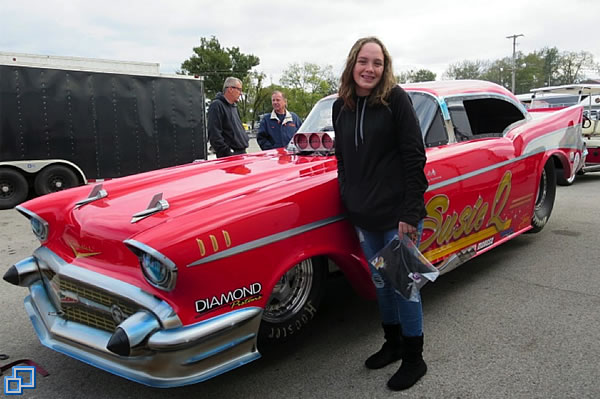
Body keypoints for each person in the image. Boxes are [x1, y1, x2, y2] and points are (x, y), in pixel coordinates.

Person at [332, 37, 429, 391]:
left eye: (377, 62)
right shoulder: (340, 106)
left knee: (405, 287)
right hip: (364, 216)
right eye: (363, 61)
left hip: (399, 214)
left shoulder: (396, 100)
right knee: (380, 283)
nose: (369, 69)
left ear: (385, 67)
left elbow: (415, 157)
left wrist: (410, 211)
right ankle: (393, 343)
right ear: (352, 64)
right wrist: (348, 197)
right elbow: (342, 159)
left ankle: (415, 358)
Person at [207, 77, 249, 158]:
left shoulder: (234, 107)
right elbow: (214, 134)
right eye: (239, 89)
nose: (240, 93)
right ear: (230, 89)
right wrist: (227, 152)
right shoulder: (216, 105)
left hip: (241, 153)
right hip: (230, 156)